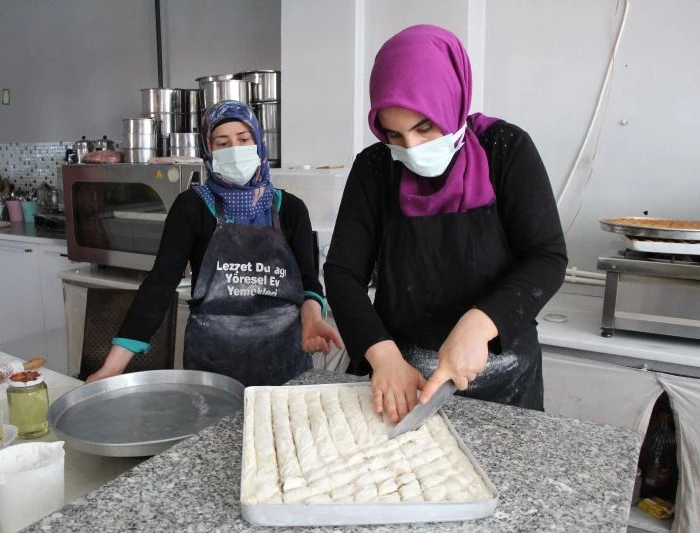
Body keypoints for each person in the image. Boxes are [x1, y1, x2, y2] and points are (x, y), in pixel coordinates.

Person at [324, 25, 567, 422]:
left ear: (453, 101)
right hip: (401, 377)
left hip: (503, 378)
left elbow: (547, 256)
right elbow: (341, 273)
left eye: (425, 128)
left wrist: (480, 323)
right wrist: (382, 355)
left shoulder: (505, 150)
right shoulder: (374, 168)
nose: (414, 150)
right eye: (395, 136)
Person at [87, 100, 342, 386]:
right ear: (208, 151)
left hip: (284, 361)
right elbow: (159, 285)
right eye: (222, 143)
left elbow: (309, 281)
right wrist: (112, 367)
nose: (234, 150)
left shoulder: (292, 209)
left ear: (258, 143)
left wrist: (312, 318)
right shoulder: (192, 207)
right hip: (213, 367)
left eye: (243, 139)